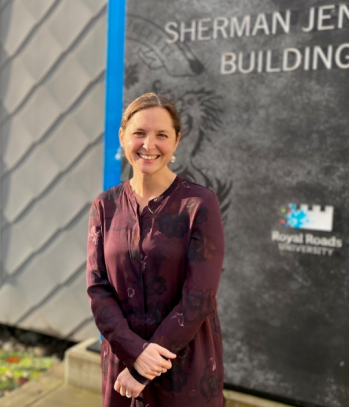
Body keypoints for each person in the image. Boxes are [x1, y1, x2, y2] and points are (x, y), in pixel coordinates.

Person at [87, 93, 225, 406]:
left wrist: (142, 369)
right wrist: (134, 354)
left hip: (184, 367)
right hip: (121, 364)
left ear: (177, 141)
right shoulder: (104, 205)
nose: (149, 145)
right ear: (122, 136)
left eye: (161, 135)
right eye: (139, 133)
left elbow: (199, 297)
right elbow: (98, 289)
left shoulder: (199, 204)